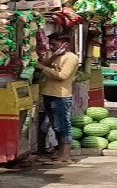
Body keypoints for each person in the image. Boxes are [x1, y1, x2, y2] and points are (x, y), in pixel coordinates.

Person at [35, 32, 79, 164]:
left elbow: (62, 76)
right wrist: (52, 57)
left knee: (63, 126)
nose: (51, 47)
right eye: (50, 44)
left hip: (60, 96)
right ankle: (60, 153)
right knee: (55, 126)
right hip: (49, 94)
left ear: (65, 44)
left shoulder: (71, 58)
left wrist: (42, 68)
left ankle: (65, 155)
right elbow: (45, 64)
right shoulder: (57, 56)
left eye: (54, 44)